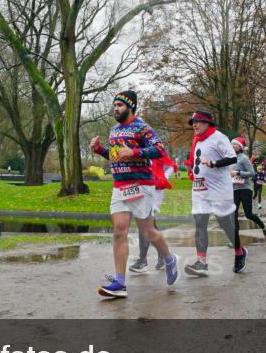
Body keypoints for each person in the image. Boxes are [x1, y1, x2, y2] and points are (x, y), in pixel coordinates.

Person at [90, 90, 179, 298]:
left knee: (148, 232)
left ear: (130, 107)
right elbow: (115, 157)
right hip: (120, 186)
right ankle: (119, 283)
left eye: (119, 105)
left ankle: (169, 258)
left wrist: (136, 152)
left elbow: (159, 149)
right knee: (119, 231)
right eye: (114, 106)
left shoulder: (142, 127)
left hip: (141, 185)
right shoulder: (113, 130)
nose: (115, 109)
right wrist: (100, 149)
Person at [183, 111, 246, 276]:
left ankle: (239, 252)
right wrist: (191, 168)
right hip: (200, 188)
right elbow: (196, 160)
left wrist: (213, 163)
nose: (194, 125)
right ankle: (201, 262)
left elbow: (232, 158)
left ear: (207, 123)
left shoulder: (219, 137)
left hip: (219, 188)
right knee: (200, 223)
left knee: (225, 223)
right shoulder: (196, 139)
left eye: (198, 122)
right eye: (193, 122)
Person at [129, 153, 178, 273]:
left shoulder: (155, 149)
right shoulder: (138, 150)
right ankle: (162, 256)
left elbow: (171, 165)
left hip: (155, 190)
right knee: (146, 222)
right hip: (141, 186)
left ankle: (143, 260)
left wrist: (161, 177)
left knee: (145, 221)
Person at [230, 137, 266, 241]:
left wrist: (238, 173)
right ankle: (236, 240)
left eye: (236, 144)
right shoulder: (229, 158)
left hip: (245, 189)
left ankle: (263, 226)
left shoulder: (244, 158)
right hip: (233, 189)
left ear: (241, 147)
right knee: (233, 215)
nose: (233, 146)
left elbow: (252, 173)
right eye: (232, 144)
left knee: (248, 214)